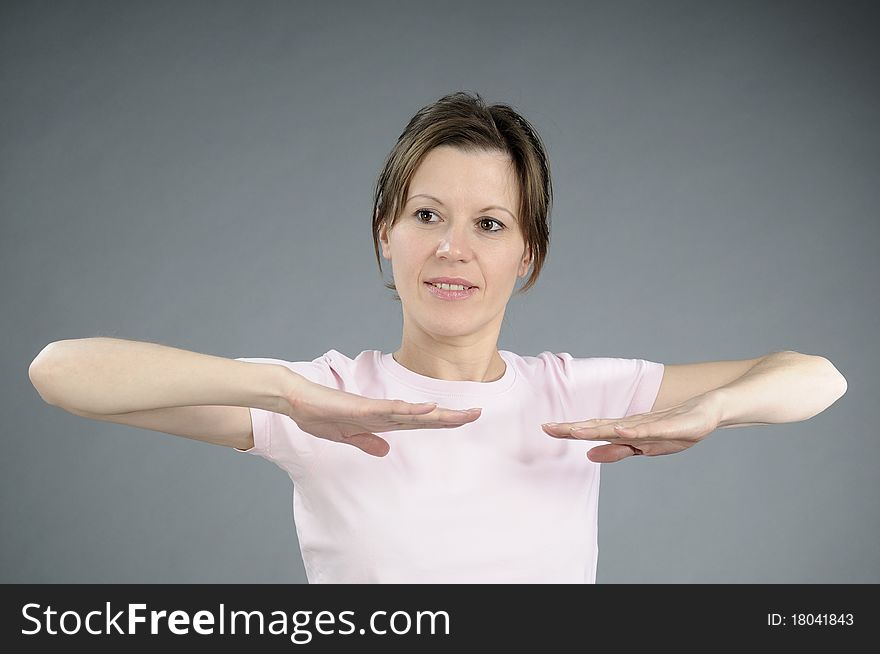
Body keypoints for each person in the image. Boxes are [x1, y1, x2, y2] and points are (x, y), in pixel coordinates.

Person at [28, 91, 848, 584]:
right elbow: (60, 372)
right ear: (387, 230)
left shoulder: (580, 397)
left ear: (527, 253)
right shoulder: (325, 398)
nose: (453, 247)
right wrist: (281, 390)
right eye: (428, 216)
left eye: (489, 224)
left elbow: (815, 377)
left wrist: (715, 409)